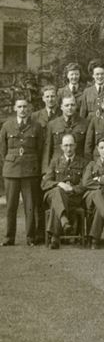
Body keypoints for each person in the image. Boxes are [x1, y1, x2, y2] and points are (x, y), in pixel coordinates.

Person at [1, 98, 46, 245]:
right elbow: (3, 149)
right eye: (19, 106)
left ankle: (30, 237)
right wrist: (11, 161)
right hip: (12, 172)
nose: (22, 109)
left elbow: (40, 149)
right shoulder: (7, 126)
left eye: (25, 107)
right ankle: (9, 238)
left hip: (30, 171)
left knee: (30, 206)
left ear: (29, 109)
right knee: (11, 207)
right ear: (15, 108)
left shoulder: (37, 126)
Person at [41, 134, 87, 249]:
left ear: (75, 146)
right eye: (66, 145)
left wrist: (72, 189)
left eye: (71, 145)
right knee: (58, 191)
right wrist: (59, 183)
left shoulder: (83, 162)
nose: (69, 148)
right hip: (53, 195)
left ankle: (55, 236)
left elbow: (85, 184)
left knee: (58, 197)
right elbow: (45, 183)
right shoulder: (55, 161)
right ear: (61, 147)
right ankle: (63, 221)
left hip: (73, 197)